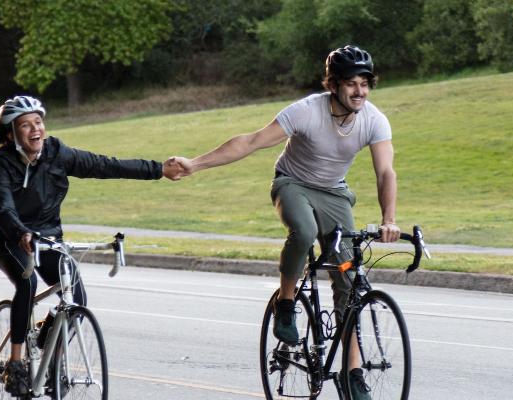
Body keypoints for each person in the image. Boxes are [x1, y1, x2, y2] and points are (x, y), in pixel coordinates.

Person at [167, 45, 398, 400]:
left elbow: (385, 172)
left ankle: (352, 374)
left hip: (334, 193)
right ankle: (286, 304)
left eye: (365, 84)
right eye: (351, 83)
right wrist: (194, 164)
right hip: (292, 183)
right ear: (333, 84)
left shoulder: (374, 120)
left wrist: (389, 220)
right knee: (304, 231)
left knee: (349, 282)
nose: (359, 92)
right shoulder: (307, 111)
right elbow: (251, 141)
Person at [0, 95, 183, 396]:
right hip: (11, 240)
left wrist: (158, 170)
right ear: (12, 134)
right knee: (27, 283)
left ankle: (52, 361)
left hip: (49, 239)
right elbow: (2, 206)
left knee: (76, 296)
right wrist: (21, 233)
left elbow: (105, 165)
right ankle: (15, 365)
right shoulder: (2, 164)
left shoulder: (56, 153)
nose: (35, 129)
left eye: (38, 122)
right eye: (25, 125)